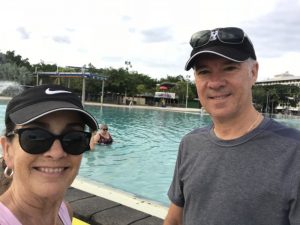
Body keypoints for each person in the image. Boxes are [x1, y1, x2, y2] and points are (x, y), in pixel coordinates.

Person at [163, 27, 300, 225]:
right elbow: (175, 219)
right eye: (204, 71)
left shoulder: (294, 152)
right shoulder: (190, 144)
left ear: (253, 73)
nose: (215, 82)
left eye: (229, 68)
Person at [0, 84, 98, 225]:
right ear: (8, 151)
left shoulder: (64, 212)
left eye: (74, 138)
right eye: (35, 136)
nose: (56, 153)